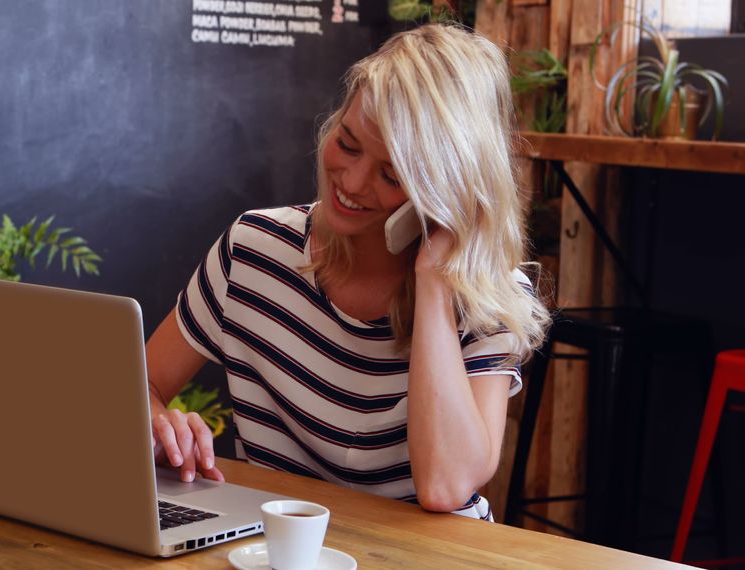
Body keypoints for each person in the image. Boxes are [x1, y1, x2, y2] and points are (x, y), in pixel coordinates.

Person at [145, 23, 550, 520]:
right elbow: (135, 387)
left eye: (392, 175)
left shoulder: (488, 297)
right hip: (280, 551)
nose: (352, 183)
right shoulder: (253, 249)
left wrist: (434, 283)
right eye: (349, 143)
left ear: (444, 191)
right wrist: (157, 424)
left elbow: (446, 487)